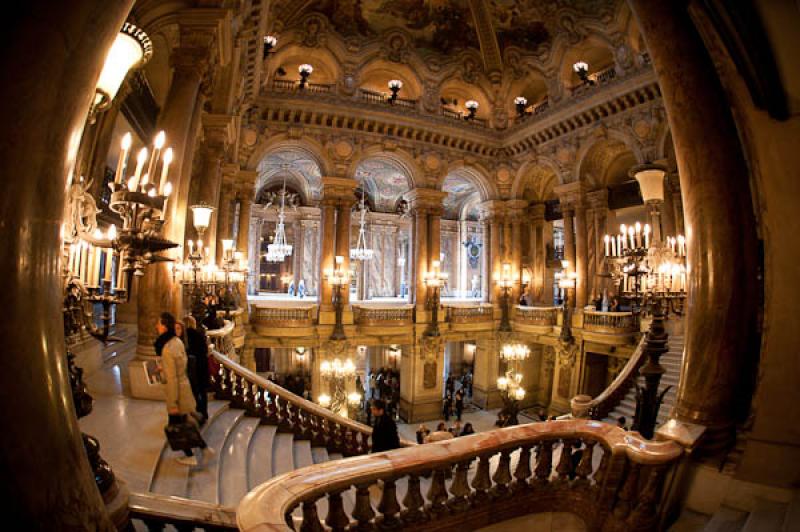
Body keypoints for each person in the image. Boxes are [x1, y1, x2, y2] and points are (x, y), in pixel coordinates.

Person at [156, 312, 212, 466]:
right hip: (184, 387)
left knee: (178, 427)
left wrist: (172, 403)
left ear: (165, 326)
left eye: (159, 324)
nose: (156, 326)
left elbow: (172, 378)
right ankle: (204, 449)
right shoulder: (177, 342)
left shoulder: (167, 349)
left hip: (177, 392)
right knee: (185, 424)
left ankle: (191, 454)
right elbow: (181, 366)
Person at [182, 316, 209, 423]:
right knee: (203, 392)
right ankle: (204, 413)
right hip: (202, 367)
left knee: (195, 392)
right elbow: (205, 350)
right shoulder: (200, 335)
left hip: (193, 368)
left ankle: (198, 413)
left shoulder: (186, 337)